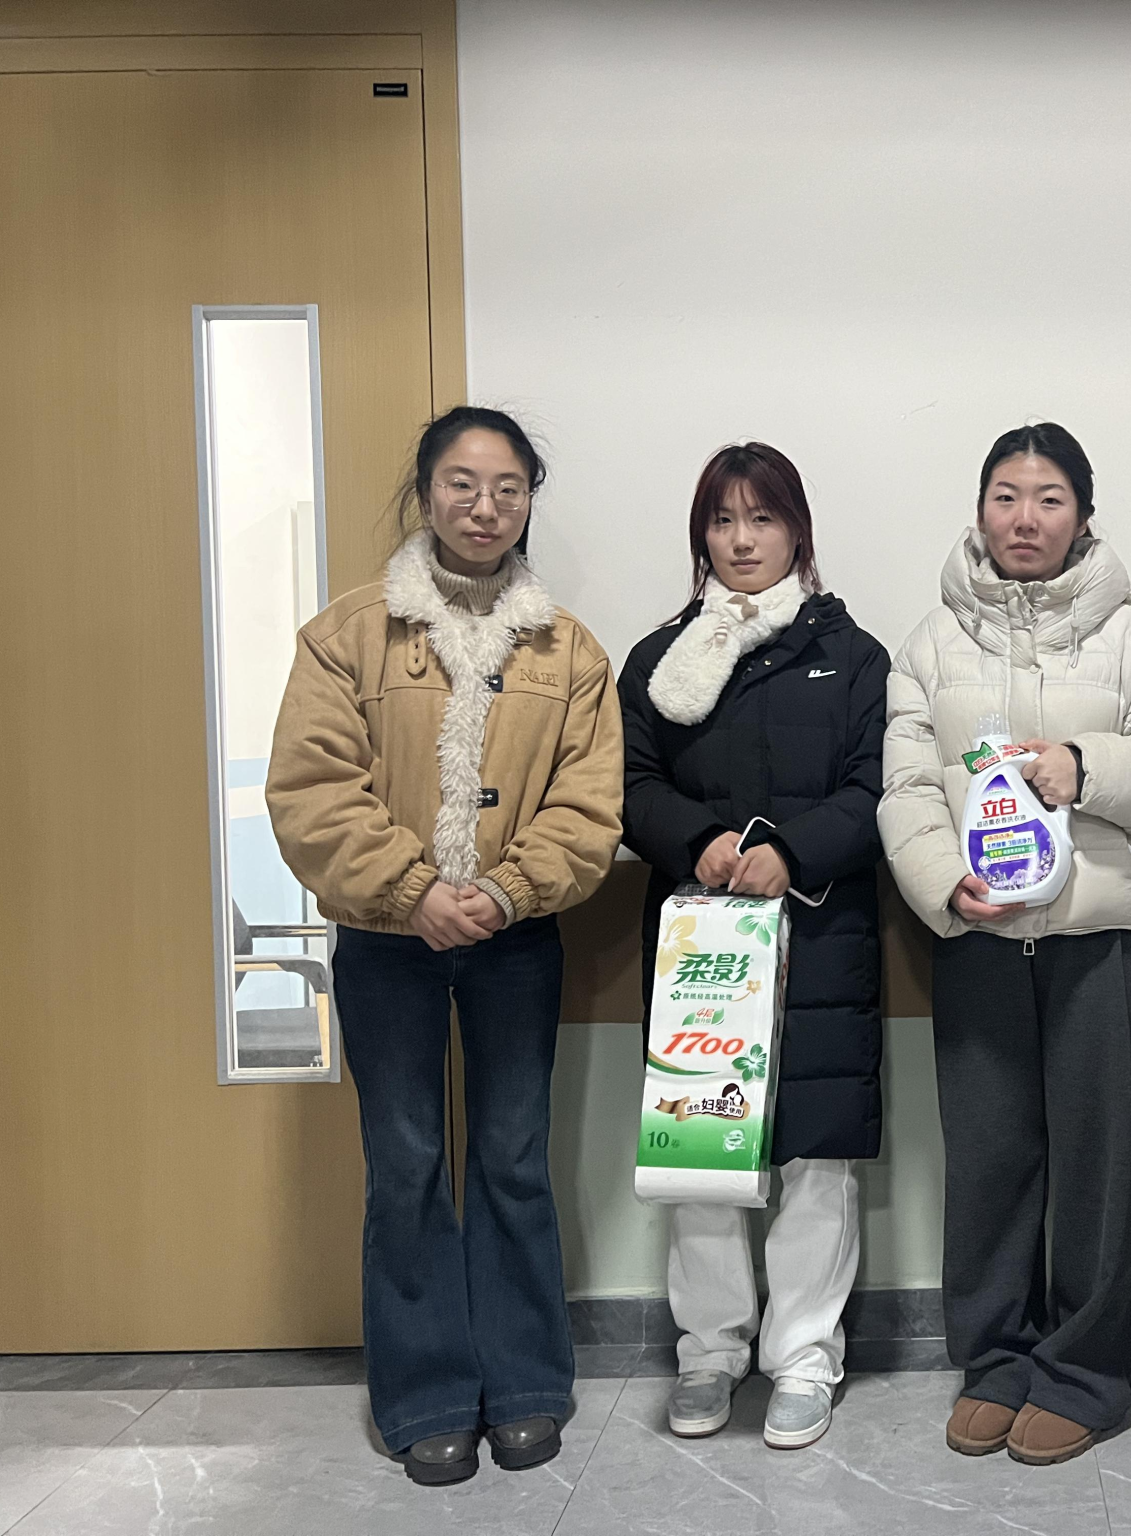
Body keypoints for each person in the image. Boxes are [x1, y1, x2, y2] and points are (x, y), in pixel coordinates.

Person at [266, 406, 623, 1484]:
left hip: (517, 942)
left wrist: (506, 891)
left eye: (508, 487)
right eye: (463, 484)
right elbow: (312, 794)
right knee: (407, 1163)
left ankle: (524, 1384)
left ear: (528, 502)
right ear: (426, 494)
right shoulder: (346, 635)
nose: (485, 506)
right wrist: (414, 889)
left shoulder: (569, 651)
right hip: (385, 942)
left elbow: (588, 807)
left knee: (513, 1158)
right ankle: (423, 1394)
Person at [879, 422, 1131, 1466]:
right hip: (977, 941)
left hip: (1095, 944)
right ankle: (995, 1362)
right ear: (980, 511)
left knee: (1099, 1171)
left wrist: (1081, 765)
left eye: (1050, 498)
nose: (1026, 518)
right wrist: (942, 880)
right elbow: (906, 788)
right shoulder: (929, 644)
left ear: (1083, 516)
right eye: (1007, 497)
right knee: (988, 1163)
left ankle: (1085, 1373)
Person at [619, 442, 889, 1452]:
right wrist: (698, 840)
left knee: (816, 1157)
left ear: (797, 533)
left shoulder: (853, 656)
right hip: (700, 939)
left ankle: (805, 1356)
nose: (741, 539)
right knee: (700, 1150)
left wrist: (790, 852)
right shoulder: (658, 659)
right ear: (701, 535)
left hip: (821, 936)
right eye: (722, 520)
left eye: (762, 518)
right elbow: (629, 783)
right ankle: (709, 1352)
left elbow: (875, 788)